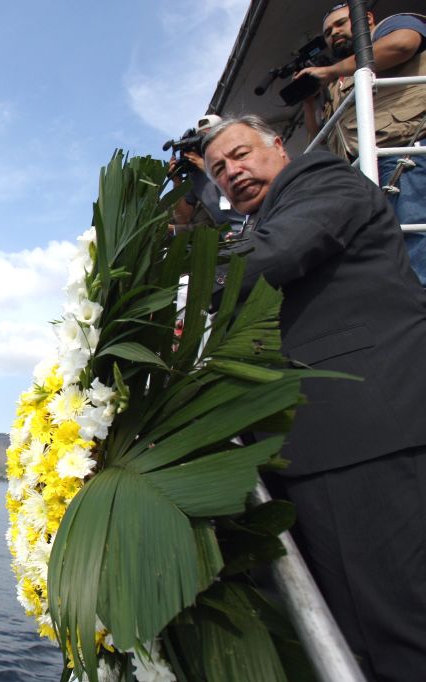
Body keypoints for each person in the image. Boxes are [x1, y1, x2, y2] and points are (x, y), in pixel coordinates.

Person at [202, 114, 426, 682]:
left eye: (241, 154)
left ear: (280, 146)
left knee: (394, 634)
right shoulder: (264, 222)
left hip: (358, 441)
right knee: (352, 634)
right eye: (219, 169)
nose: (233, 172)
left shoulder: (323, 180)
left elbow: (273, 260)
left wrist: (178, 276)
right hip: (319, 449)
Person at [297, 4, 426, 284]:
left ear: (365, 19)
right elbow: (318, 135)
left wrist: (331, 70)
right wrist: (310, 99)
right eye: (328, 32)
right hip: (362, 172)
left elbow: (404, 44)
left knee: (416, 239)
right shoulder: (337, 79)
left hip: (407, 153)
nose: (334, 34)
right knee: (384, 255)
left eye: (341, 24)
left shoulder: (389, 28)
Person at [168, 114, 246, 237]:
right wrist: (177, 183)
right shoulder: (194, 175)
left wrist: (207, 167)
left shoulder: (236, 159)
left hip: (251, 228)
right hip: (226, 239)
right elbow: (183, 218)